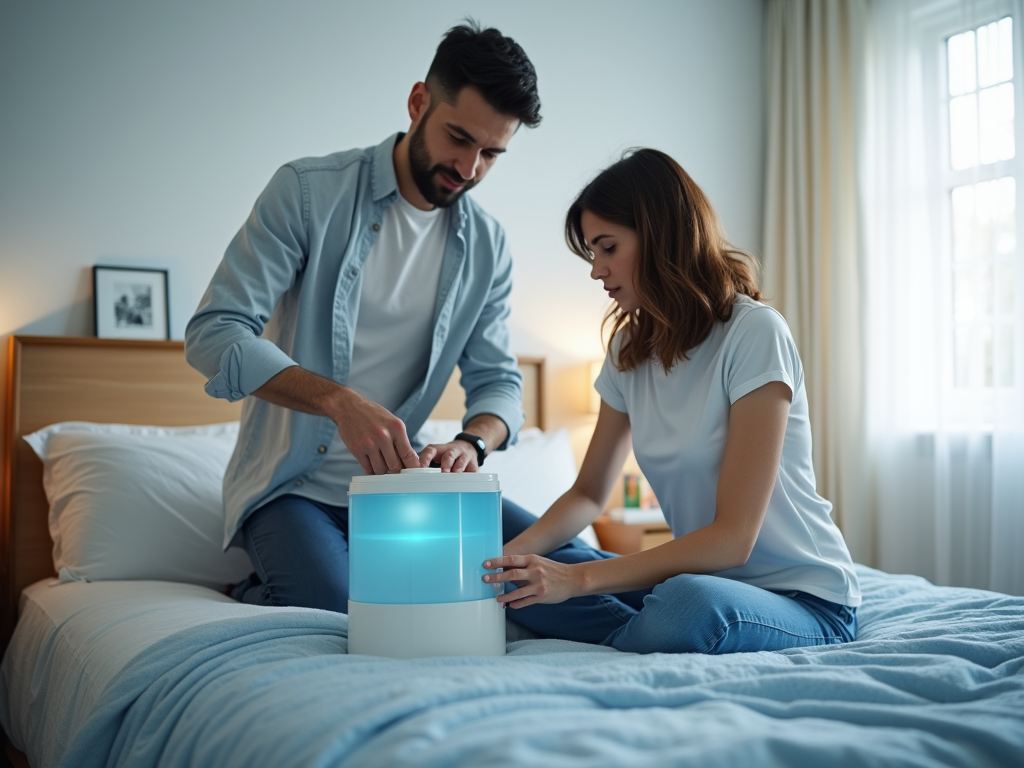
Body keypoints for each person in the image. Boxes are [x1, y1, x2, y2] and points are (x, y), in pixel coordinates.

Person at [184, 21, 544, 610]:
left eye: (491, 154)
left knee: (565, 567)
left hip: (408, 492)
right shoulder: (307, 192)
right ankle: (256, 586)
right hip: (293, 492)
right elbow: (214, 333)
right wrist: (338, 401)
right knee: (345, 605)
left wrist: (471, 444)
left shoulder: (489, 245)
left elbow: (500, 385)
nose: (470, 167)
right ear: (418, 101)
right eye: (459, 137)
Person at [486, 149, 862, 654]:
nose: (596, 270)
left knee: (687, 602)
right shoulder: (625, 350)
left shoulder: (753, 334)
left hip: (798, 598)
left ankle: (621, 626)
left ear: (660, 234)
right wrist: (503, 563)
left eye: (608, 247)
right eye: (592, 254)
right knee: (502, 536)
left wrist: (577, 583)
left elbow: (733, 539)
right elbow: (589, 494)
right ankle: (623, 624)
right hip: (699, 580)